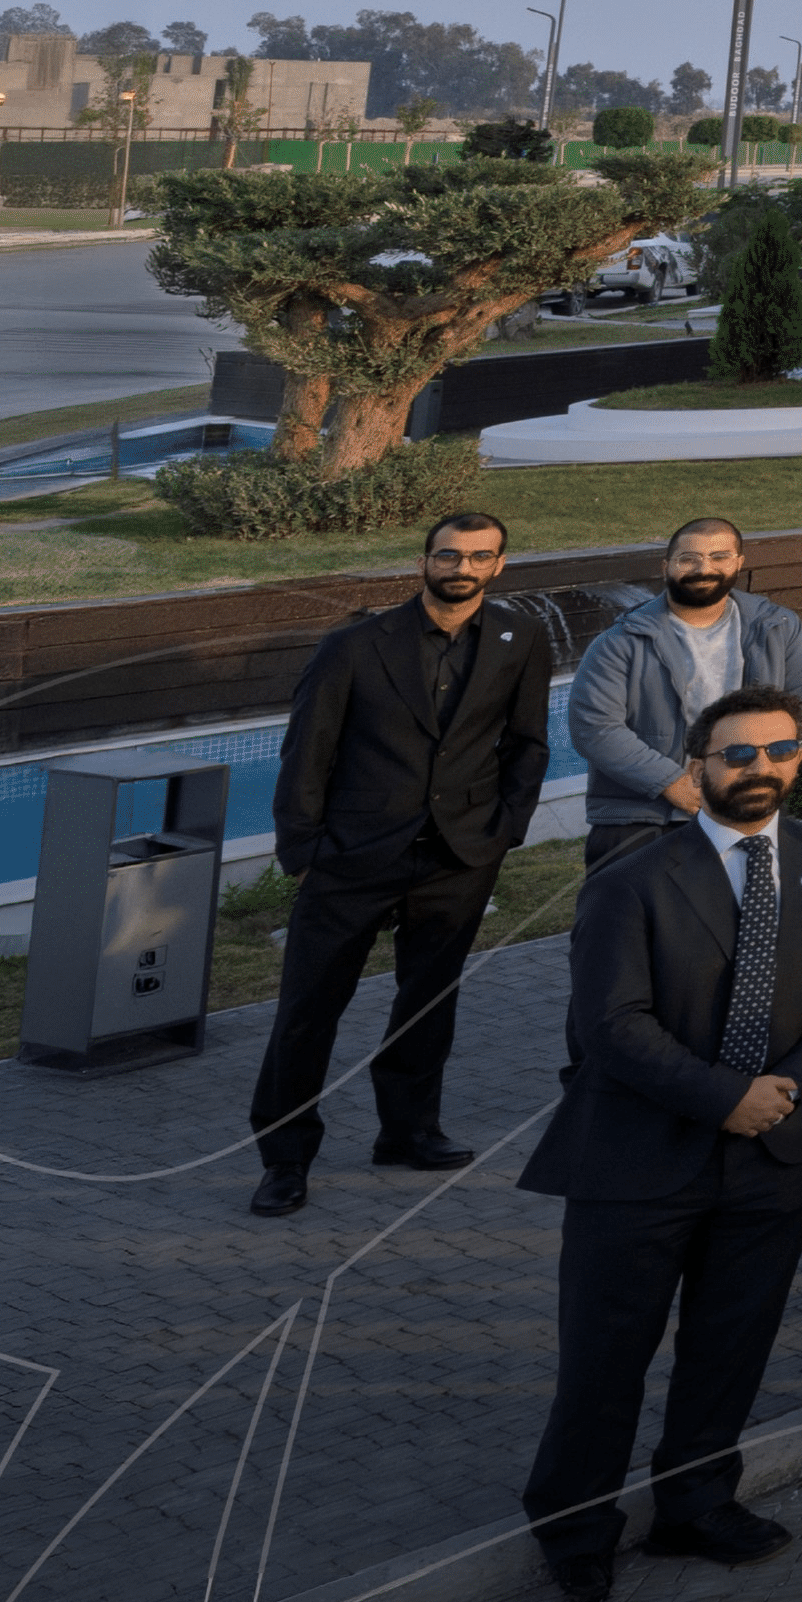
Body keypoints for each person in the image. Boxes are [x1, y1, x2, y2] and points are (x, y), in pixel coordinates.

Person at [519, 681, 802, 1602]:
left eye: (780, 751)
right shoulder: (629, 881)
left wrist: (785, 1086)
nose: (762, 769)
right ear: (697, 769)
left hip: (774, 1156)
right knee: (606, 1360)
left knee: (729, 1348)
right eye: (739, 755)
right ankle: (574, 1528)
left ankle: (695, 1505)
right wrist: (725, 1099)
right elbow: (610, 1027)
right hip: (637, 1162)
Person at [244, 506, 569, 1216]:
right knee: (307, 1012)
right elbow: (308, 751)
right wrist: (303, 852)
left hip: (459, 855)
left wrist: (503, 830)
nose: (463, 569)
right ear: (425, 561)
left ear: (499, 566)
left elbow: (528, 743)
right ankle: (284, 1158)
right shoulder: (355, 646)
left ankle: (408, 1132)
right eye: (449, 556)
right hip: (352, 859)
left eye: (479, 557)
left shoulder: (520, 638)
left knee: (428, 1006)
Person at [566, 519, 802, 874]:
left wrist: (771, 761)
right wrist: (672, 783)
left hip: (744, 802)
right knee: (628, 921)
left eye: (719, 556)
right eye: (689, 558)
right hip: (646, 815)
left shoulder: (777, 626)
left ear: (738, 562)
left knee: (732, 918)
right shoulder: (622, 640)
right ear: (666, 567)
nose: (705, 568)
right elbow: (593, 727)